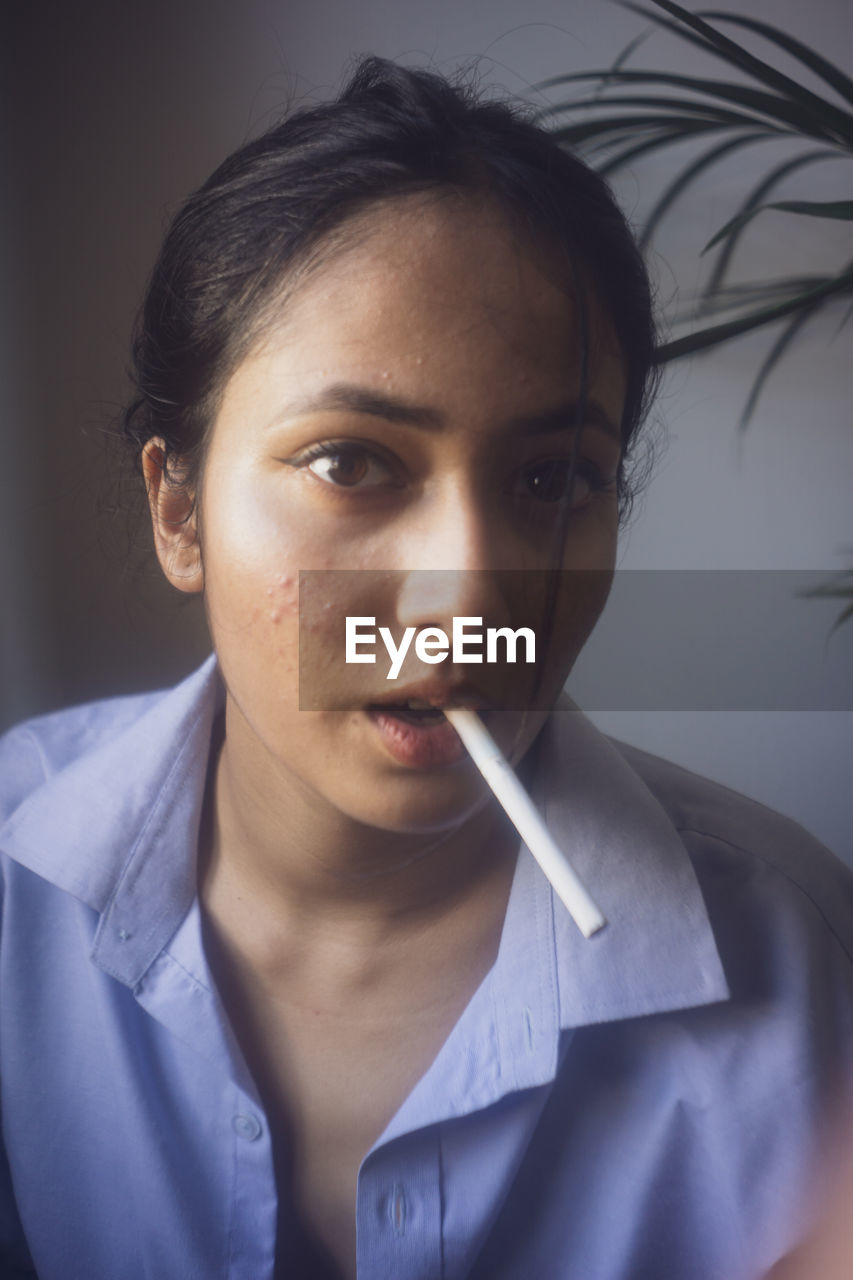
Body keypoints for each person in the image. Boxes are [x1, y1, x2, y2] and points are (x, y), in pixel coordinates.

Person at [1, 56, 851, 1280]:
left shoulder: (801, 970)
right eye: (351, 462)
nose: (468, 600)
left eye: (553, 479)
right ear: (177, 511)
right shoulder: (15, 894)